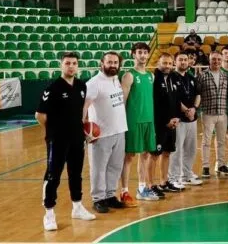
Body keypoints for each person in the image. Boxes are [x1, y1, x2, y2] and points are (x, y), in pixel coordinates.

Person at [37, 52, 96, 231]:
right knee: (53, 175)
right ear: (61, 65)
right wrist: (54, 131)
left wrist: (85, 130)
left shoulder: (81, 86)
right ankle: (49, 213)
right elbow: (39, 115)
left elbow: (80, 113)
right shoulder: (52, 88)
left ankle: (77, 207)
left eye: (74, 63)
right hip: (57, 140)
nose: (71, 66)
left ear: (78, 66)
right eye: (67, 63)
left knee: (76, 173)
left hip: (77, 137)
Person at [84, 52, 128, 214]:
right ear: (101, 63)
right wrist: (85, 128)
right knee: (98, 168)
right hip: (100, 134)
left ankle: (110, 195)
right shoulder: (94, 83)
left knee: (115, 167)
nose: (113, 65)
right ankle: (98, 198)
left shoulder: (116, 79)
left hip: (119, 130)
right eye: (109, 62)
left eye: (115, 62)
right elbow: (84, 106)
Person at [121, 42, 158, 202]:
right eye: (139, 52)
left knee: (145, 154)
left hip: (149, 120)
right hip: (133, 121)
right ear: (133, 54)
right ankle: (124, 191)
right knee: (129, 156)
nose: (143, 55)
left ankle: (142, 188)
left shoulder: (151, 76)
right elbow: (122, 102)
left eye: (145, 52)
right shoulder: (128, 75)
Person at [168, 51, 203, 188]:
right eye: (180, 60)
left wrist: (194, 108)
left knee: (191, 149)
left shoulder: (192, 78)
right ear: (175, 62)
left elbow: (198, 95)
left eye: (185, 60)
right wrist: (186, 110)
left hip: (192, 119)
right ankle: (174, 177)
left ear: (189, 62)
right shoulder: (171, 77)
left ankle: (187, 174)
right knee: (176, 150)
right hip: (179, 120)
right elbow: (174, 98)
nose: (183, 62)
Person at [198, 51, 228, 177]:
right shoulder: (202, 75)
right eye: (214, 59)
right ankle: (205, 167)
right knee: (206, 141)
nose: (216, 62)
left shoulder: (225, 75)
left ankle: (221, 165)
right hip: (208, 113)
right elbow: (198, 94)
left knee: (222, 141)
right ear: (209, 60)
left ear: (221, 60)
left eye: (218, 59)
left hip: (222, 113)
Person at [152, 53, 182, 192]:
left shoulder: (173, 78)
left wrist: (177, 118)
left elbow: (176, 101)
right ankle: (151, 185)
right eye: (164, 63)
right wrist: (165, 121)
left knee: (167, 153)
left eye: (170, 63)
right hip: (159, 125)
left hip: (172, 124)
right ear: (158, 63)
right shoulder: (154, 79)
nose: (167, 66)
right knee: (154, 155)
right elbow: (155, 105)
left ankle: (163, 182)